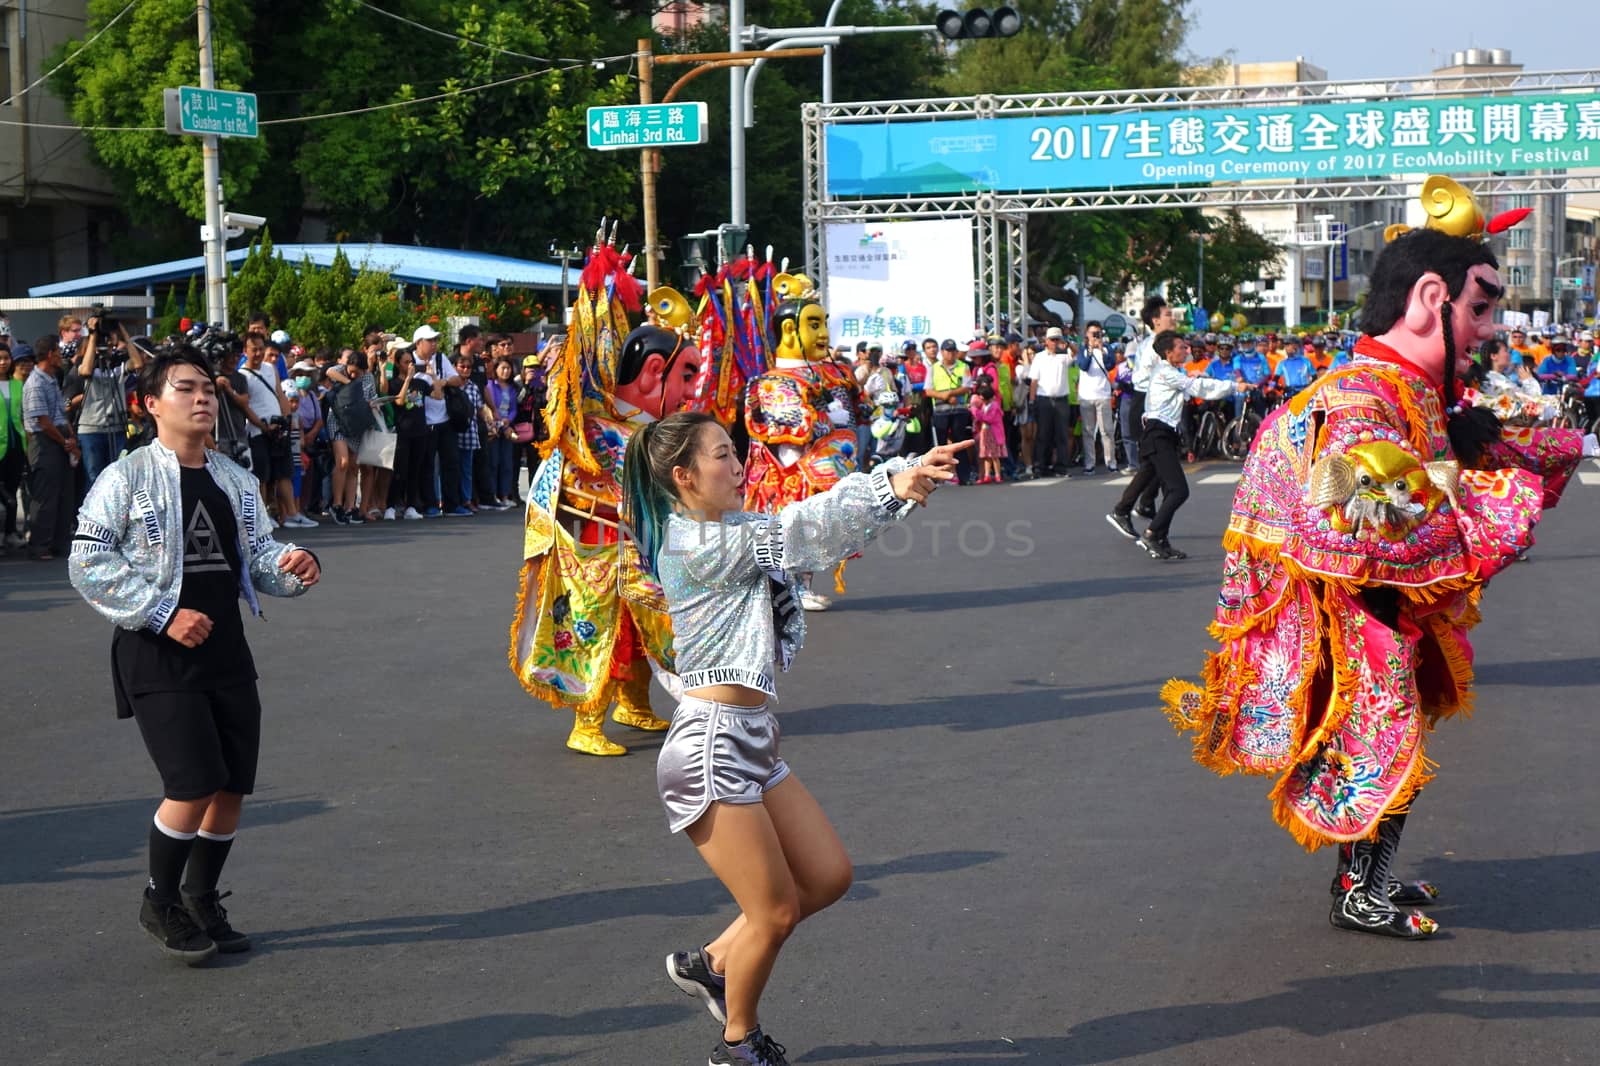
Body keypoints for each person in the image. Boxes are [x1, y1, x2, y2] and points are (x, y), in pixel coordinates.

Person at [1162, 176, 1595, 939]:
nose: (1492, 328)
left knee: (1394, 733)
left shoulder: (1410, 389)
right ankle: (1360, 891)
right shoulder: (1362, 397)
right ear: (1433, 298)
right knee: (1381, 734)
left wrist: (1480, 453)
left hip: (1384, 599)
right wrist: (1487, 499)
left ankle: (1369, 879)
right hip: (1356, 600)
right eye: (1482, 307)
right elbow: (1356, 514)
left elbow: (1413, 479)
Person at [625, 411, 968, 1066]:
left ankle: (715, 964)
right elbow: (800, 530)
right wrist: (892, 483)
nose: (738, 465)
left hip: (753, 738)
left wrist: (903, 485)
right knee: (776, 912)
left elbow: (812, 537)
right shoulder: (699, 545)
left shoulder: (728, 530)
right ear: (683, 476)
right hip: (710, 750)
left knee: (829, 876)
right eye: (724, 455)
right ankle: (738, 1042)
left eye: (736, 452)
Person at [67, 345, 320, 964]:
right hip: (157, 653)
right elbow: (88, 560)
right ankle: (161, 900)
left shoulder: (234, 477)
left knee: (231, 785)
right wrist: (162, 614)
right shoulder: (124, 477)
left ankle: (202, 898)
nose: (203, 397)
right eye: (186, 388)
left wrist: (293, 567)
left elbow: (259, 556)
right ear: (151, 404)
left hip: (226, 648)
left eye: (207, 388)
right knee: (194, 782)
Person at [511, 252, 694, 756]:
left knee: (645, 633)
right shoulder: (599, 427)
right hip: (596, 552)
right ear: (655, 371)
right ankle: (586, 723)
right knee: (600, 632)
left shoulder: (642, 428)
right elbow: (588, 488)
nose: (692, 390)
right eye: (688, 375)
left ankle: (633, 704)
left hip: (638, 551)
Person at [743, 273, 874, 610]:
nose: (824, 334)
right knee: (795, 532)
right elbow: (800, 428)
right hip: (792, 473)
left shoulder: (832, 371)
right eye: (814, 325)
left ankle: (801, 586)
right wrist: (830, 416)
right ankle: (790, 589)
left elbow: (860, 410)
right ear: (789, 330)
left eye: (823, 323)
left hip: (829, 470)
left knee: (819, 533)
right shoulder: (771, 381)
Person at [1106, 331, 1243, 559]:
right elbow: (1197, 389)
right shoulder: (1166, 372)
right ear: (1168, 353)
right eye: (1181, 347)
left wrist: (1197, 377)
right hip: (1158, 434)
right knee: (1179, 490)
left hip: (1165, 434)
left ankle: (1147, 529)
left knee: (1159, 483)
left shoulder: (1173, 372)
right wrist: (1235, 387)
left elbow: (1190, 388)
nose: (1186, 350)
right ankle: (1151, 534)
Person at [71, 311, 147, 485]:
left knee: (119, 476)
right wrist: (93, 336)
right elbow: (86, 371)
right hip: (92, 431)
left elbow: (138, 364)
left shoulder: (117, 368)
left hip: (117, 428)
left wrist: (123, 333)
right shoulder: (85, 365)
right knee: (94, 479)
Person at [23, 335, 81, 560]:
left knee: (64, 495)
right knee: (45, 496)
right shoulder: (35, 382)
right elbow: (42, 421)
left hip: (59, 439)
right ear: (50, 354)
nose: (60, 356)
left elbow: (59, 412)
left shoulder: (51, 378)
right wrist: (63, 441)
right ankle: (39, 545)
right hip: (45, 441)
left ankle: (59, 542)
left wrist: (71, 437)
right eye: (57, 352)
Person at [1029, 328, 1073, 478]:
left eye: (1057, 340)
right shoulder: (1039, 357)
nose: (1055, 343)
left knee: (1061, 435)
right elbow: (1034, 381)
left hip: (1061, 399)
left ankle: (1061, 467)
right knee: (1043, 435)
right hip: (1044, 399)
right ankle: (1041, 466)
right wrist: (1032, 400)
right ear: (1046, 341)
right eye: (1052, 340)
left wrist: (1067, 343)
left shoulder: (1064, 356)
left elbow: (1077, 353)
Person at [1075, 322, 1116, 475]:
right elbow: (1083, 366)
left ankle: (1110, 462)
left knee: (1107, 431)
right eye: (1093, 334)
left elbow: (1110, 365)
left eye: (1098, 333)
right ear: (1087, 334)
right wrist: (1091, 350)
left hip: (1103, 395)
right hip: (1086, 396)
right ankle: (1090, 463)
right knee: (1088, 431)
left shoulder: (1107, 348)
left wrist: (1102, 350)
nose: (1095, 336)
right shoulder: (1083, 349)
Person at [0, 343, 30, 548]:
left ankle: (10, 532)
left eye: (6, 358)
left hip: (16, 446)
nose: (3, 362)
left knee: (12, 491)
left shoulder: (18, 384)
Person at [484, 355, 520, 508]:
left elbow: (513, 409)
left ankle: (505, 495)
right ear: (496, 369)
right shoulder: (490, 385)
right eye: (502, 368)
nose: (505, 371)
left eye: (508, 368)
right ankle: (492, 494)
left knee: (506, 463)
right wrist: (499, 421)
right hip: (493, 427)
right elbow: (490, 406)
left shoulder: (512, 388)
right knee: (493, 462)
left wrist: (508, 421)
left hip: (507, 428)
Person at [968, 378, 1007, 483]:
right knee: (986, 455)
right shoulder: (985, 405)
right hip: (985, 432)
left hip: (993, 433)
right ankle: (987, 475)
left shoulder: (994, 406)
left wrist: (974, 410)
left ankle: (998, 475)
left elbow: (987, 419)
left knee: (994, 456)